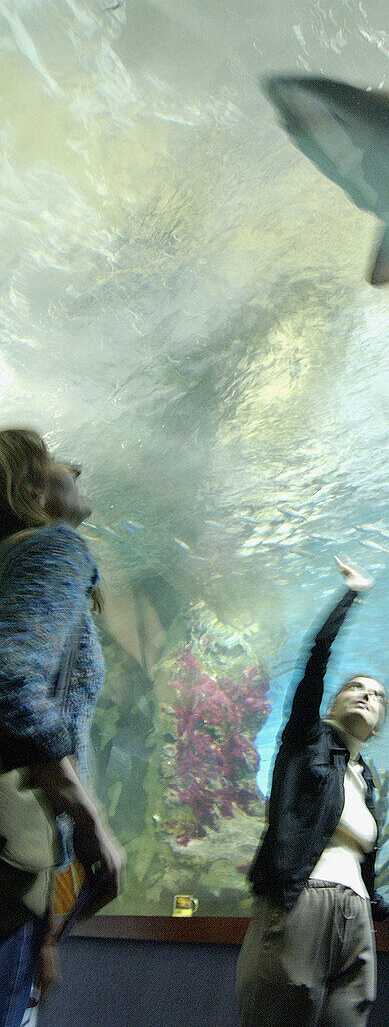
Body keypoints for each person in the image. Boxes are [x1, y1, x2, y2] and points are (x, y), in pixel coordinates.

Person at [237, 557, 389, 1027]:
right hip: (302, 900)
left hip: (355, 917)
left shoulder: (367, 779)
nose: (364, 695)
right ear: (332, 702)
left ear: (378, 727)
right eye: (354, 687)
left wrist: (387, 906)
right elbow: (316, 660)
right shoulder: (307, 741)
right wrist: (350, 595)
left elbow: (361, 860)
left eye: (375, 695)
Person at [0, 429, 124, 1027]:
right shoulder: (54, 549)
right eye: (53, 459)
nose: (75, 464)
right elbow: (11, 681)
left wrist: (45, 937)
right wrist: (89, 817)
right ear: (29, 488)